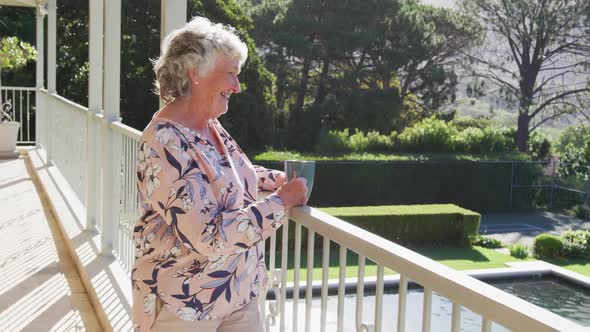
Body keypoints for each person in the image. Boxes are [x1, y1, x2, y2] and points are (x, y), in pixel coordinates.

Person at [132, 16, 308, 332]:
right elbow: (209, 238)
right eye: (230, 75)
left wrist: (275, 180)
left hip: (237, 293)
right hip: (184, 303)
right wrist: (280, 202)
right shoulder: (163, 142)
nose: (237, 87)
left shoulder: (209, 125)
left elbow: (226, 172)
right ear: (194, 73)